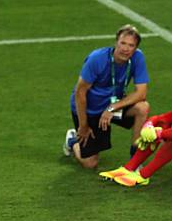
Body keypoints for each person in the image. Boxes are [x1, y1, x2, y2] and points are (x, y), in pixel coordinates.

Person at [63, 25, 150, 169]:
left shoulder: (138, 57)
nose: (126, 49)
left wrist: (112, 108)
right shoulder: (97, 59)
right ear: (116, 42)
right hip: (90, 109)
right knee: (90, 163)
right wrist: (83, 126)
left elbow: (141, 93)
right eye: (123, 43)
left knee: (142, 107)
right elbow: (80, 93)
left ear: (135, 48)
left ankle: (136, 161)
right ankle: (73, 141)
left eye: (131, 45)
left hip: (111, 106)